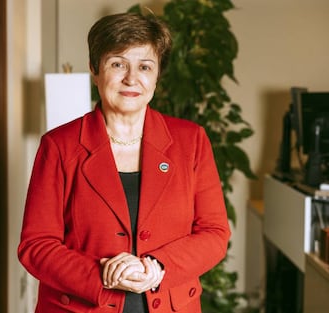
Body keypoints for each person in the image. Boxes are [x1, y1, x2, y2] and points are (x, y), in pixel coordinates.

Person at [18, 12, 231, 313]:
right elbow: (36, 246)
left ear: (157, 75)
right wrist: (105, 273)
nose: (132, 78)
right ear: (94, 70)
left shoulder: (191, 141)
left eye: (145, 66)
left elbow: (214, 233)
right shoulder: (59, 146)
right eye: (117, 64)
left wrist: (158, 265)